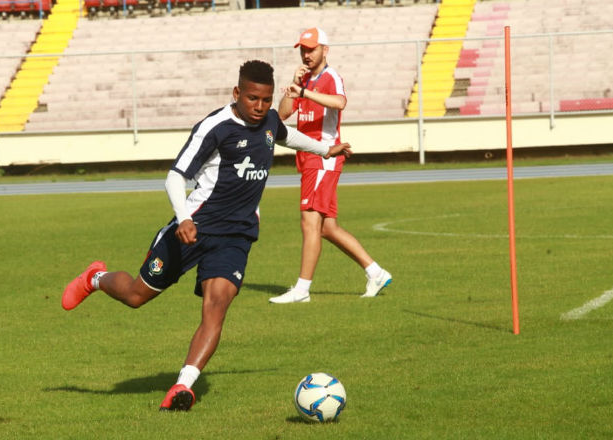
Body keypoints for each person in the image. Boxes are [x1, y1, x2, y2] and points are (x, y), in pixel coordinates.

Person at [61, 60, 352, 412]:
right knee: (137, 295)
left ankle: (182, 387)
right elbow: (174, 176)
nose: (260, 107)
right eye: (252, 98)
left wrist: (326, 149)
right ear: (236, 93)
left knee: (216, 306)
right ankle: (96, 277)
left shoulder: (271, 122)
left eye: (266, 99)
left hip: (237, 236)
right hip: (193, 229)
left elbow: (287, 136)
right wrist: (183, 218)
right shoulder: (215, 127)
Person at [268, 27, 392, 304]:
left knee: (309, 222)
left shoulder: (329, 77)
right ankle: (375, 272)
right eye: (303, 48)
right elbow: (283, 114)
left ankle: (302, 290)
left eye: (311, 48)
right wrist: (294, 86)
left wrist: (306, 92)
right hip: (310, 157)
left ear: (325, 49)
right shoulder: (305, 79)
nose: (306, 53)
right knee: (327, 228)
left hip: (323, 157)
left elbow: (340, 101)